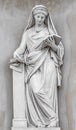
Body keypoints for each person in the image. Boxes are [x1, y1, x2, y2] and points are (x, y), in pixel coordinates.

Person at [10, 5, 64, 128]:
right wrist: (17, 54)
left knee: (48, 93)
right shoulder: (28, 33)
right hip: (32, 64)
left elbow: (60, 50)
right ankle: (44, 119)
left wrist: (53, 46)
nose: (40, 19)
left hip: (47, 62)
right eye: (38, 16)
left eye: (42, 17)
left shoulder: (49, 31)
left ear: (45, 18)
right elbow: (21, 48)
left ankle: (52, 121)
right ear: (34, 17)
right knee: (36, 90)